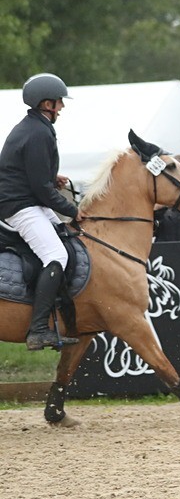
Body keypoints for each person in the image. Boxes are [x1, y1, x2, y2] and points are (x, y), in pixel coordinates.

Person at [0, 73, 84, 349]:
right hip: (20, 206)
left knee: (65, 237)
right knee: (56, 254)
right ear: (47, 103)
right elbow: (40, 189)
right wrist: (72, 210)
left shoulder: (34, 126)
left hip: (26, 199)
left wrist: (52, 175)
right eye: (59, 102)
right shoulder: (37, 132)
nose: (62, 107)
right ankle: (37, 330)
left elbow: (32, 173)